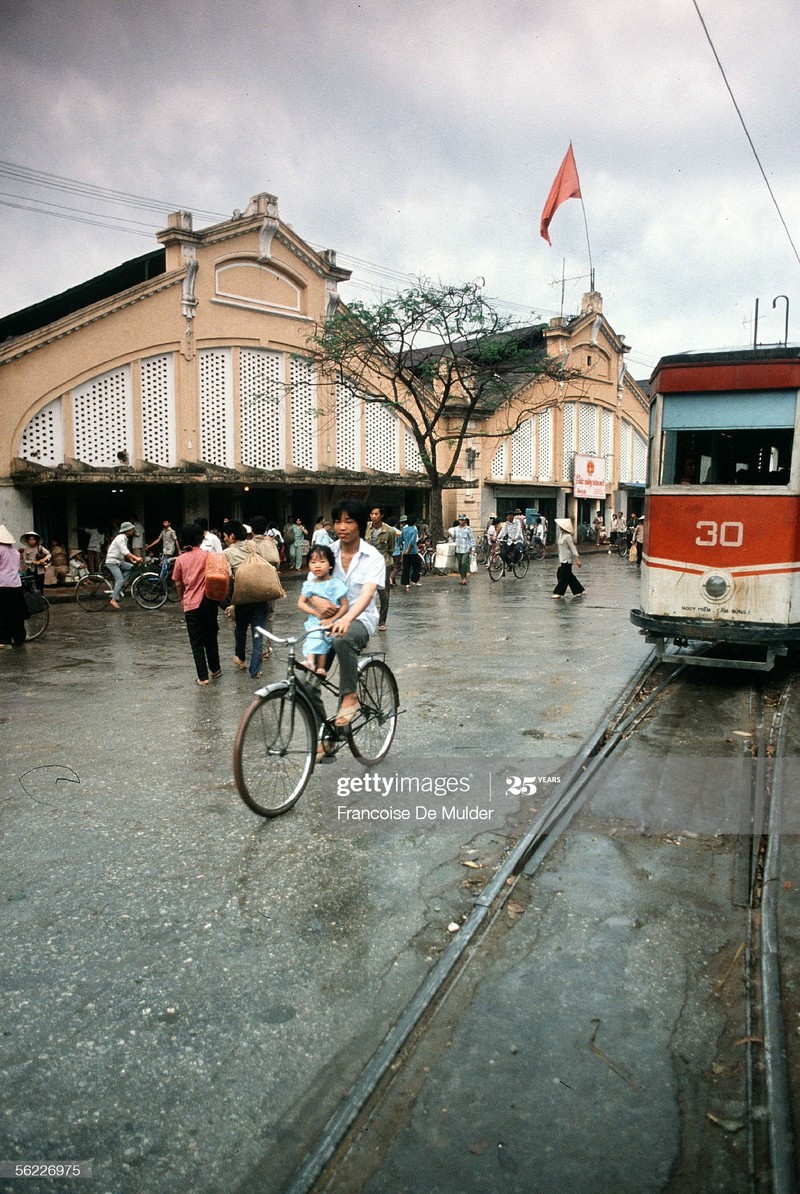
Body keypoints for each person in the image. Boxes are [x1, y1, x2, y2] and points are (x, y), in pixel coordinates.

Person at [300, 499, 384, 734]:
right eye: (337, 521)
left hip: (360, 619)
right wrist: (317, 602)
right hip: (326, 621)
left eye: (349, 521)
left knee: (343, 637)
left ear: (361, 524)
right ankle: (323, 736)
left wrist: (346, 618)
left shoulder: (372, 557)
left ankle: (350, 696)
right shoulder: (327, 553)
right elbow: (310, 587)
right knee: (307, 682)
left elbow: (367, 594)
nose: (342, 527)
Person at [223, 518, 280, 679]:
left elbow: (227, 576)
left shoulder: (227, 553)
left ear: (232, 536)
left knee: (240, 628)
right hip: (261, 595)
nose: (224, 539)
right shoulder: (253, 545)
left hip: (242, 598)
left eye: (225, 536)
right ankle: (255, 670)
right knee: (258, 632)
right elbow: (271, 562)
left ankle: (240, 658)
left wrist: (229, 599)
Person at [172, 522, 227, 685]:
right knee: (211, 636)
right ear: (200, 539)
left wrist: (183, 597)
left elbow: (178, 584)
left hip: (191, 605)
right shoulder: (208, 556)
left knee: (196, 641)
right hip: (209, 602)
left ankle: (203, 677)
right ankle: (215, 669)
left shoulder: (180, 560)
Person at [298, 544, 349, 674]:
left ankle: (321, 667)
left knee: (324, 641)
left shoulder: (336, 583)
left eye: (322, 562)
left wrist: (332, 619)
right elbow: (301, 603)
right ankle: (310, 662)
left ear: (330, 565)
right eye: (313, 562)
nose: (317, 566)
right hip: (315, 621)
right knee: (312, 637)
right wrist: (315, 612)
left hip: (332, 622)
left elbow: (345, 606)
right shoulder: (309, 585)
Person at [366, 505, 396, 629]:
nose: (373, 516)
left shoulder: (389, 531)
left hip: (383, 564)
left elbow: (391, 548)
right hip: (368, 564)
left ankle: (382, 622)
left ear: (381, 516)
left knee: (383, 593)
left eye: (376, 514)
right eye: (372, 514)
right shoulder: (366, 527)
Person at [0, 524, 27, 649]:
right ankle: (19, 637)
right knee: (17, 614)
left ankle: (4, 639)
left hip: (3, 584)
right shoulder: (14, 551)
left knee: (4, 613)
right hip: (16, 584)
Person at [105, 521, 142, 610]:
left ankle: (122, 584)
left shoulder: (125, 538)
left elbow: (125, 552)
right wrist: (136, 558)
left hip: (119, 561)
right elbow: (125, 551)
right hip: (112, 562)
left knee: (132, 568)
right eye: (132, 529)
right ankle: (113, 599)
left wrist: (132, 560)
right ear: (127, 530)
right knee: (120, 580)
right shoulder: (120, 538)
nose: (133, 530)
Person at [552, 517, 585, 598]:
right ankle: (579, 590)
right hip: (562, 558)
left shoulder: (568, 536)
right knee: (569, 576)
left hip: (567, 559)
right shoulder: (561, 535)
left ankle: (558, 592)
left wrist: (577, 558)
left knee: (563, 576)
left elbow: (572, 547)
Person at [449, 513, 475, 585]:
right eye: (460, 520)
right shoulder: (456, 529)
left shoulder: (468, 529)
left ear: (465, 521)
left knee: (464, 563)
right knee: (460, 564)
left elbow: (471, 539)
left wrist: (472, 548)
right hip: (458, 548)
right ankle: (462, 577)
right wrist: (451, 535)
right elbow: (454, 538)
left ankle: (464, 578)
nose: (462, 521)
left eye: (463, 520)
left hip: (466, 548)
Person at [398, 515, 422, 591]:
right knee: (416, 566)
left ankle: (406, 583)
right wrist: (408, 549)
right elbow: (412, 541)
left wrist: (402, 548)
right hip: (413, 551)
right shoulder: (414, 530)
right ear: (415, 522)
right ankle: (414, 580)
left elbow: (400, 539)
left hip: (405, 551)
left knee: (406, 567)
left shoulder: (404, 529)